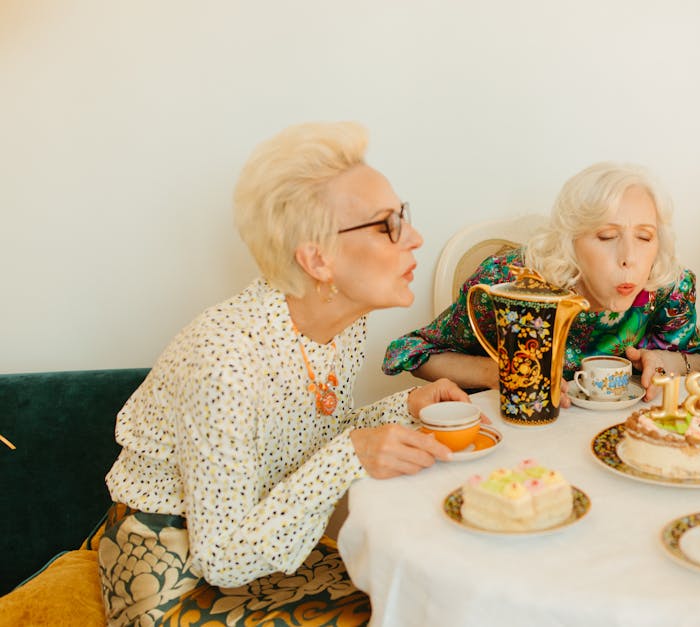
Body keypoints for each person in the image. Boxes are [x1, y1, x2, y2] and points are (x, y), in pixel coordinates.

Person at [98, 122, 474, 626]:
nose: (415, 237)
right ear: (318, 259)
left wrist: (404, 406)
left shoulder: (344, 326)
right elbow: (223, 558)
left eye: (403, 216)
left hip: (259, 549)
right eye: (387, 224)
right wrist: (351, 457)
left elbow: (302, 436)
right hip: (172, 582)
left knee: (429, 598)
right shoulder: (224, 362)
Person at [383, 162, 700, 400]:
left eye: (644, 237)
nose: (630, 258)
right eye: (607, 236)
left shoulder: (667, 287)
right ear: (570, 243)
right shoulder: (508, 283)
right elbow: (414, 353)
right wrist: (497, 372)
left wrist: (670, 362)